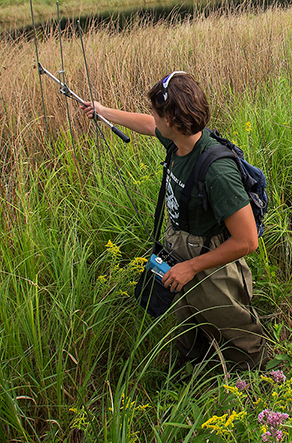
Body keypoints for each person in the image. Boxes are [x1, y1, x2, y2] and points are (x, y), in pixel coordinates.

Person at [81, 71, 266, 370]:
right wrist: (103, 111)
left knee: (237, 331)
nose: (151, 117)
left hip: (210, 262)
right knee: (190, 326)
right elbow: (145, 124)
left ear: (171, 121)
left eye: (155, 113)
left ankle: (255, 385)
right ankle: (195, 374)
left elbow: (247, 240)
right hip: (180, 249)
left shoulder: (218, 172)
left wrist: (190, 267)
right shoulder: (178, 141)